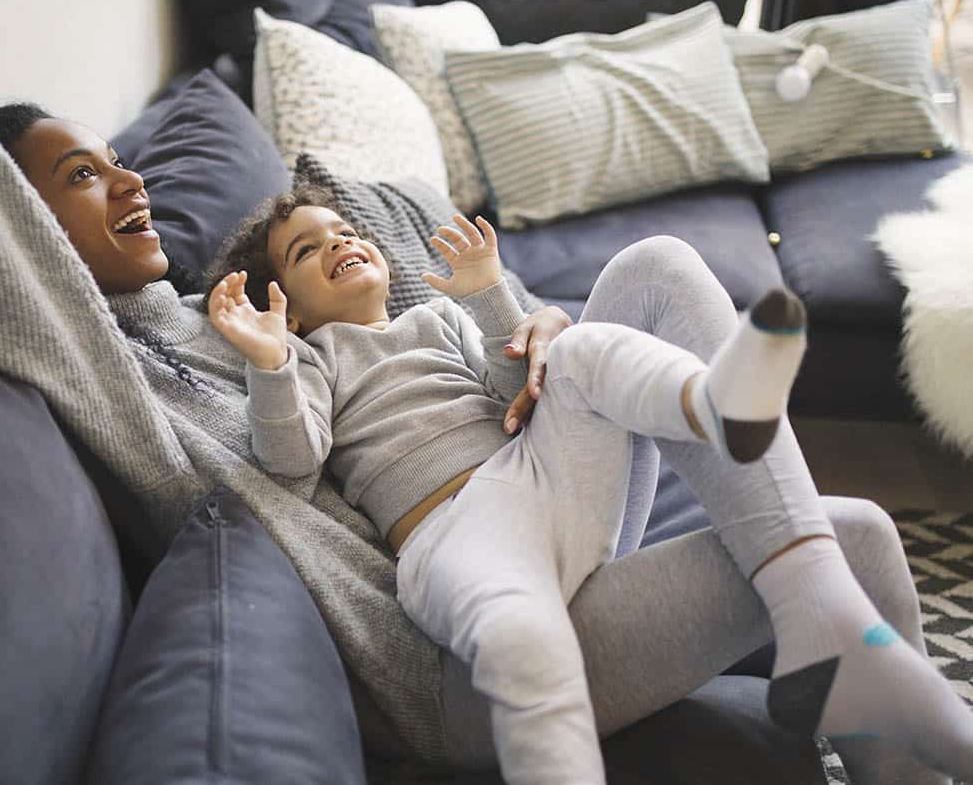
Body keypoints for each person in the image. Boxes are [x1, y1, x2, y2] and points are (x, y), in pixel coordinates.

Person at [0, 45, 958, 785]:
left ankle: (837, 655)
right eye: (80, 179)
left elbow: (443, 354)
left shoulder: (220, 307)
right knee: (859, 532)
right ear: (28, 229)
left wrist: (532, 329)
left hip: (540, 502)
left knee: (662, 272)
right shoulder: (119, 360)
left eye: (114, 161)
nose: (128, 182)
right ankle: (861, 690)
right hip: (456, 649)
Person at [206, 186, 973, 785]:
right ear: (290, 306)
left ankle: (710, 403)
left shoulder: (436, 318)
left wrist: (496, 301)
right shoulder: (308, 358)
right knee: (860, 534)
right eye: (308, 250)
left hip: (550, 482)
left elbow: (516, 390)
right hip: (469, 531)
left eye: (342, 229)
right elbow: (291, 463)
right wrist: (268, 365)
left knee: (604, 320)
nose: (337, 242)